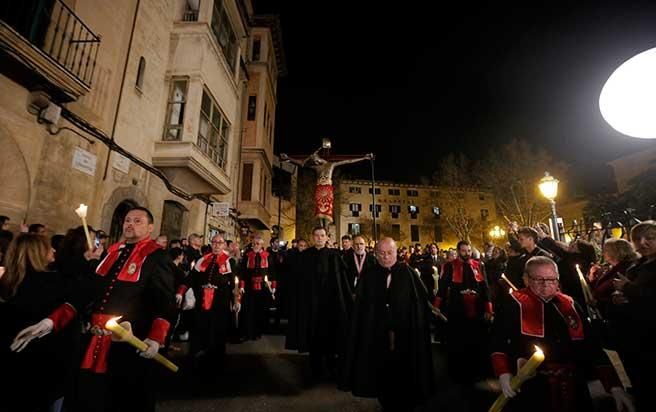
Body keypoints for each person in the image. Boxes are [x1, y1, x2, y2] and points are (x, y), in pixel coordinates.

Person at [491, 256, 633, 412]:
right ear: (526, 279)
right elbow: (498, 341)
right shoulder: (513, 303)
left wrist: (614, 386)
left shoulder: (570, 304)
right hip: (533, 388)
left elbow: (592, 347)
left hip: (573, 384)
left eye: (551, 280)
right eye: (539, 280)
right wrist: (503, 373)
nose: (546, 285)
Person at [72, 207, 175, 412]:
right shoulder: (112, 251)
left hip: (131, 338)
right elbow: (97, 290)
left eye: (138, 221)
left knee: (126, 396)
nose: (130, 224)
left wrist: (156, 337)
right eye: (128, 220)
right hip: (97, 336)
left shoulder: (157, 257)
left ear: (150, 227)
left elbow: (165, 301)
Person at [340, 237, 434, 412]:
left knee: (403, 369)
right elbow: (361, 305)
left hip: (404, 332)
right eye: (381, 253)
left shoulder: (408, 273)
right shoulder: (369, 274)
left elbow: (421, 300)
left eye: (389, 253)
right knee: (380, 368)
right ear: (375, 254)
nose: (385, 257)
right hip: (376, 332)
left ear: (396, 252)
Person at [1, 233, 82, 412]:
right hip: (43, 368)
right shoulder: (53, 282)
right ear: (37, 252)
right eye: (48, 247)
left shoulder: (7, 281)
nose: (53, 250)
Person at [287, 227, 352, 381]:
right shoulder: (305, 256)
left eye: (322, 235)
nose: (319, 238)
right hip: (310, 304)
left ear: (326, 237)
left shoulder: (334, 256)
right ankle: (314, 366)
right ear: (312, 237)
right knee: (313, 333)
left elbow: (341, 281)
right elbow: (298, 281)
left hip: (329, 304)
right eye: (316, 235)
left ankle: (330, 365)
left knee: (329, 333)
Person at [176, 235, 238, 372]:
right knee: (200, 328)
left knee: (217, 330)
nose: (216, 245)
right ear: (211, 244)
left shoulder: (230, 262)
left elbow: (235, 283)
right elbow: (191, 278)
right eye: (214, 242)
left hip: (220, 301)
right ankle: (197, 358)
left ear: (224, 245)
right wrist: (180, 292)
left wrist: (236, 300)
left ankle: (216, 360)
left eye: (220, 243)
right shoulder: (202, 260)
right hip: (202, 300)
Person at [612, 221, 656, 411]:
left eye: (650, 238)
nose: (643, 242)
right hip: (634, 336)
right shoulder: (636, 266)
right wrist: (618, 298)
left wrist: (627, 288)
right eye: (637, 239)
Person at [436, 240, 493, 383]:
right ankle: (459, 373)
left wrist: (489, 308)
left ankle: (478, 371)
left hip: (477, 308)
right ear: (458, 251)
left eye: (469, 251)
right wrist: (437, 305)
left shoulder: (479, 265)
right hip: (457, 308)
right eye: (463, 251)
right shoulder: (450, 266)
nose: (467, 253)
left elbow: (485, 287)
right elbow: (442, 288)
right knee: (458, 340)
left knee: (477, 339)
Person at [281, 148, 372, 226]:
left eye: (316, 160)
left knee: (328, 207)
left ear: (319, 158)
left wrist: (364, 157)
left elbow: (348, 161)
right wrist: (288, 158)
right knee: (319, 208)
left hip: (328, 188)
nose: (316, 162)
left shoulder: (331, 165)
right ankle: (321, 227)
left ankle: (326, 229)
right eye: (315, 162)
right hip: (319, 189)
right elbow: (301, 163)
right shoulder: (317, 167)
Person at [240, 236, 276, 339]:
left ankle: (258, 332)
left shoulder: (267, 256)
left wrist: (273, 285)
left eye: (258, 244)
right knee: (248, 310)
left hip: (263, 288)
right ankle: (248, 332)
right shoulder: (247, 255)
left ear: (261, 245)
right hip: (249, 287)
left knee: (260, 310)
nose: (256, 245)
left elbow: (272, 272)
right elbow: (242, 271)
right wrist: (242, 285)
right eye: (254, 243)